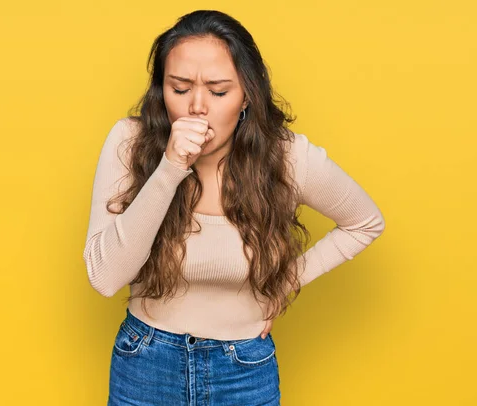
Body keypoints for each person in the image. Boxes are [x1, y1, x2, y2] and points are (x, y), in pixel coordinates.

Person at [82, 9, 385, 406]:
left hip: (242, 369)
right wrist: (169, 170)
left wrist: (286, 282)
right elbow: (105, 279)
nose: (196, 107)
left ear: (247, 95)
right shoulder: (130, 142)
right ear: (161, 91)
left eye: (219, 91)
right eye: (179, 88)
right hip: (145, 363)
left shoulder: (287, 157)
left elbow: (365, 222)